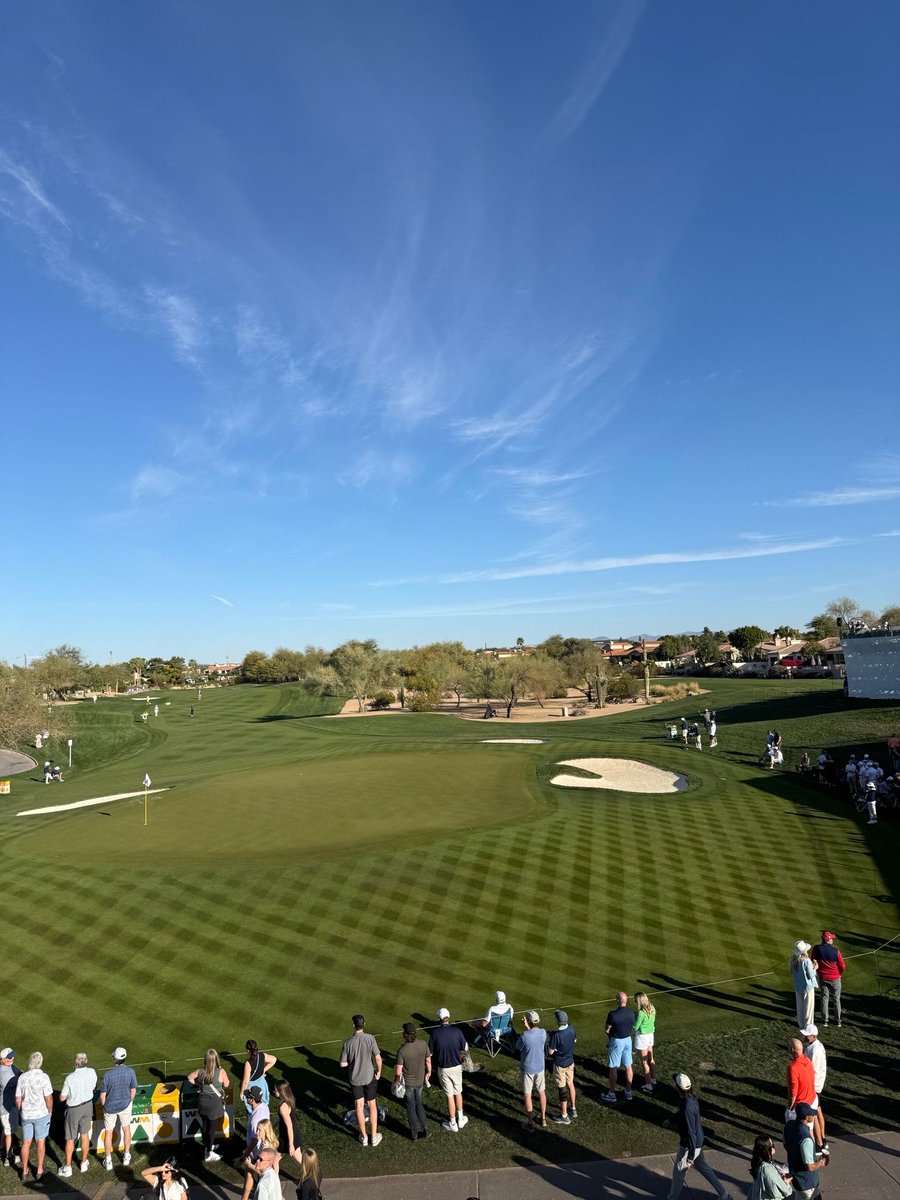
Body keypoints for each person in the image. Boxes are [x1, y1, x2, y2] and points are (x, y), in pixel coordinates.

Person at [666, 1073, 732, 1199]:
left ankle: (672, 1198)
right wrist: (672, 1119)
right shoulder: (691, 1099)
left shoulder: (687, 1107)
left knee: (678, 1173)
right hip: (697, 1142)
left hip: (690, 1145)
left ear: (679, 1088)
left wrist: (690, 1156)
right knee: (703, 1167)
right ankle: (725, 1195)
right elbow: (682, 1114)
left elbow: (691, 1131)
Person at [339, 1015, 382, 1147]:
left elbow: (342, 1064)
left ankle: (364, 1137)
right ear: (364, 1024)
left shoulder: (347, 1043)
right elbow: (378, 1058)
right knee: (372, 1105)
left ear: (353, 1025)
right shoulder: (370, 1038)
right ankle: (374, 1136)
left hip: (355, 1078)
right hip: (369, 1076)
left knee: (359, 1106)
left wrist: (352, 1062)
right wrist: (379, 1072)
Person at [428, 1008, 468, 1132]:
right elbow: (465, 1047)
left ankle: (452, 1122)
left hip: (444, 1069)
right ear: (448, 1017)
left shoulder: (435, 1033)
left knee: (450, 1096)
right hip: (456, 1067)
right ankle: (460, 1119)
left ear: (439, 1019)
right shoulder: (456, 1031)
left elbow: (430, 1052)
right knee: (458, 1092)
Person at [186, 1049, 230, 1163]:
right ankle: (209, 1152)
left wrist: (199, 1084)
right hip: (214, 1105)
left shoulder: (200, 1072)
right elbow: (227, 1084)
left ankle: (208, 1146)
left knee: (205, 1126)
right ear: (216, 1059)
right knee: (211, 1129)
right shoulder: (221, 1071)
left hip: (202, 1103)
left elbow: (189, 1077)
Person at [58, 1051, 98, 1177]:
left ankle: (68, 1167)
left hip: (74, 1109)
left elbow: (62, 1098)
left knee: (70, 1138)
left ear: (75, 1063)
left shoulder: (70, 1078)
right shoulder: (92, 1072)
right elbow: (93, 1087)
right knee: (85, 1134)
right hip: (87, 1106)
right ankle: (84, 1162)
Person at [15, 1052, 52, 1181]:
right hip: (41, 1114)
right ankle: (39, 1170)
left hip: (27, 1114)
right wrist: (50, 1111)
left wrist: (21, 1111)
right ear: (40, 1062)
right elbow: (48, 1098)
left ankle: (24, 1171)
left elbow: (18, 1099)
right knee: (40, 1142)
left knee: (26, 1142)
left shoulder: (22, 1077)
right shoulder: (44, 1077)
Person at [100, 1047, 138, 1170]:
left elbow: (102, 1095)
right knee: (126, 1129)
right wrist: (129, 1101)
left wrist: (105, 1106)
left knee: (109, 1132)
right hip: (125, 1104)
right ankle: (126, 1156)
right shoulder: (130, 1072)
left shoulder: (108, 1075)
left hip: (110, 1106)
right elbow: (133, 1090)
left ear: (115, 1059)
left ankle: (108, 1160)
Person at [783, 1103, 828, 1199]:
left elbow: (786, 1145)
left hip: (797, 1176)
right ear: (807, 1117)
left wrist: (796, 1155)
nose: (813, 1116)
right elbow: (810, 1166)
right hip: (806, 1181)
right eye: (811, 1114)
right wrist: (821, 1162)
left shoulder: (789, 1126)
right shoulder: (806, 1138)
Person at [394, 1023, 430, 1141]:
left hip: (408, 1084)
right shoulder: (423, 1044)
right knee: (419, 1104)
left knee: (411, 1107)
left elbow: (398, 1071)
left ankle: (414, 1134)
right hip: (419, 1082)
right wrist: (428, 1073)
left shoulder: (402, 1050)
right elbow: (428, 1061)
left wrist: (395, 1082)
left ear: (405, 1034)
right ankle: (425, 1129)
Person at [601, 992, 635, 1103]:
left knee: (613, 1067)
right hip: (628, 1040)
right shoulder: (631, 1013)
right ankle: (628, 1091)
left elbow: (607, 1029)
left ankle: (611, 1093)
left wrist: (610, 1036)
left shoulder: (612, 1014)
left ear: (618, 1001)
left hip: (616, 1041)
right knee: (628, 1066)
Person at [516, 1011, 547, 1131]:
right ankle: (543, 1119)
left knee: (527, 1095)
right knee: (541, 1092)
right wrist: (528, 1027)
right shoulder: (543, 1032)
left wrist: (527, 1028)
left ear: (528, 1021)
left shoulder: (524, 1035)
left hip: (528, 1069)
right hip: (540, 1067)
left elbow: (518, 1047)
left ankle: (530, 1123)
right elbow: (534, 1035)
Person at [801, 1025, 828, 1153]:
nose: (805, 1037)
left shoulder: (815, 1051)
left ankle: (819, 1143)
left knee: (815, 1115)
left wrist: (808, 1087)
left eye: (807, 1035)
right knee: (818, 1111)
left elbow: (814, 1071)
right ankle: (822, 1139)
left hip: (814, 1086)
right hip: (816, 1085)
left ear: (814, 1036)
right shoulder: (814, 1046)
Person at [810, 931, 845, 1028]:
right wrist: (839, 974)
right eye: (831, 938)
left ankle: (825, 1021)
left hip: (823, 978)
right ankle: (838, 1021)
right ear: (828, 940)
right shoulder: (836, 951)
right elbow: (842, 965)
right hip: (835, 978)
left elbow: (813, 960)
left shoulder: (816, 948)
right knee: (836, 999)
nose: (832, 940)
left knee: (825, 998)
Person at [548, 1010, 577, 1124]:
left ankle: (564, 1115)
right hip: (570, 1062)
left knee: (562, 1088)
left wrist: (551, 1039)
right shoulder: (571, 1028)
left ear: (558, 1021)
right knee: (570, 1084)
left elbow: (550, 1052)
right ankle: (573, 1108)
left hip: (560, 1064)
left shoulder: (557, 1036)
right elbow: (574, 1040)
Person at [748, 1133, 792, 1199]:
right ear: (767, 1149)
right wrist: (786, 1183)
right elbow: (777, 1193)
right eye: (772, 1145)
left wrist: (778, 1178)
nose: (774, 1147)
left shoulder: (757, 1163)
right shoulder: (767, 1169)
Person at [241, 1040, 276, 1112]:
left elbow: (245, 1082)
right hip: (262, 1084)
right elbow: (274, 1060)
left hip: (252, 1087)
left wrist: (241, 1093)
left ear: (247, 1050)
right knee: (263, 1104)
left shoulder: (248, 1063)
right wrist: (264, 1070)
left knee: (252, 1109)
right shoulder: (262, 1055)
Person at [272, 1079, 303, 1161]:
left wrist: (291, 1145)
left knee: (299, 1158)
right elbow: (282, 1119)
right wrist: (272, 1126)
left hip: (288, 1137)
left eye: (276, 1090)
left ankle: (312, 1173)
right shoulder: (288, 1101)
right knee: (275, 1159)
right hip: (290, 1135)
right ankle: (312, 1172)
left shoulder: (283, 1107)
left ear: (281, 1092)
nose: (274, 1091)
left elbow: (289, 1126)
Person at [786, 1038, 816, 1119]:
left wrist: (789, 1108)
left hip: (800, 1107)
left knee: (793, 1130)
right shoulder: (808, 1061)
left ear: (792, 1049)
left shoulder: (793, 1068)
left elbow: (793, 1092)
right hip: (812, 1101)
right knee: (808, 1129)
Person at [0, 1048, 21, 1168]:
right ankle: (8, 1157)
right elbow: (19, 1081)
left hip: (5, 1104)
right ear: (3, 1060)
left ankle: (2, 1147)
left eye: (12, 1056)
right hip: (5, 1107)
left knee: (5, 1128)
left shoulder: (6, 1067)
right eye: (9, 1058)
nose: (12, 1059)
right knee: (9, 1132)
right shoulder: (5, 1075)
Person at [633, 992, 657, 1093]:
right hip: (650, 1035)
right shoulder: (652, 1008)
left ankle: (648, 1085)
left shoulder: (641, 1013)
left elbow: (636, 1026)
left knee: (644, 1062)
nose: (634, 1001)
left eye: (635, 1000)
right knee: (651, 1059)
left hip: (642, 1037)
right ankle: (653, 1079)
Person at [790, 943, 818, 1028]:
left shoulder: (793, 960)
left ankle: (801, 1025)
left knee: (800, 1007)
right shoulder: (806, 961)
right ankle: (808, 1027)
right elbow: (810, 975)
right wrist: (815, 967)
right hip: (808, 987)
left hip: (798, 987)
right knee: (808, 1008)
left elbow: (792, 972)